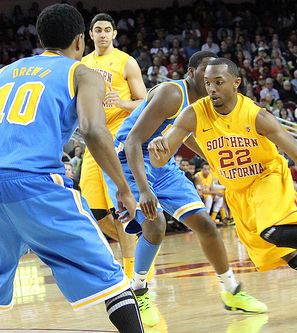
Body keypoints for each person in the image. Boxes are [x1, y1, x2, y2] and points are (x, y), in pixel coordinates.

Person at [0, 5, 143, 333]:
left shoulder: (4, 72)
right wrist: (122, 186)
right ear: (81, 40)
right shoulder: (82, 73)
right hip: (33, 183)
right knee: (112, 277)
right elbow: (93, 130)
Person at [149, 58, 297, 315]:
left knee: (271, 230)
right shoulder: (193, 113)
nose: (211, 89)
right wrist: (157, 148)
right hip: (239, 194)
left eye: (219, 83)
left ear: (236, 84)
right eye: (208, 83)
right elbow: (162, 156)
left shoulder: (256, 116)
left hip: (267, 178)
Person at [103, 51, 266, 327]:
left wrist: (218, 165)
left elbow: (188, 134)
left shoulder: (203, 103)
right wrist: (143, 191)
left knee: (206, 225)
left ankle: (231, 291)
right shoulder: (172, 94)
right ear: (191, 72)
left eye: (216, 77)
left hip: (162, 164)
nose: (210, 81)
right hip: (129, 162)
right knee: (155, 225)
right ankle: (138, 292)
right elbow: (132, 142)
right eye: (205, 74)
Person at [79, 13, 147, 279]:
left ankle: (132, 276)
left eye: (108, 30)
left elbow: (145, 102)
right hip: (91, 143)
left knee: (122, 209)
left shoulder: (126, 63)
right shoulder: (82, 64)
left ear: (114, 34)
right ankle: (140, 239)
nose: (103, 34)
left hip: (117, 140)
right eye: (98, 30)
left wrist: (121, 103)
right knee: (93, 212)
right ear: (90, 35)